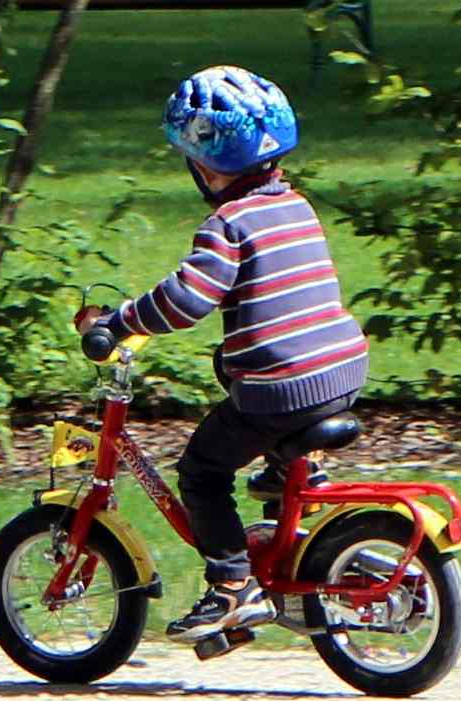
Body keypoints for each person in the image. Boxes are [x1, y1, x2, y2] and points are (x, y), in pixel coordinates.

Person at [75, 66, 369, 644]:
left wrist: (120, 321)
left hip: (282, 389)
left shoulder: (228, 223)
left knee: (202, 472)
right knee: (234, 365)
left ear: (203, 163)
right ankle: (287, 473)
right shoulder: (297, 207)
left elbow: (187, 299)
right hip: (341, 369)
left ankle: (233, 586)